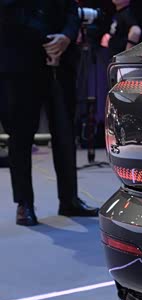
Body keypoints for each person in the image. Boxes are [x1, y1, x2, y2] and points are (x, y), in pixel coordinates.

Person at [0, 0, 99, 226]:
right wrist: (48, 42)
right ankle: (24, 203)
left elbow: (71, 10)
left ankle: (69, 200)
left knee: (65, 134)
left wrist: (66, 37)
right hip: (20, 62)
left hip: (61, 62)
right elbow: (8, 12)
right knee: (20, 136)